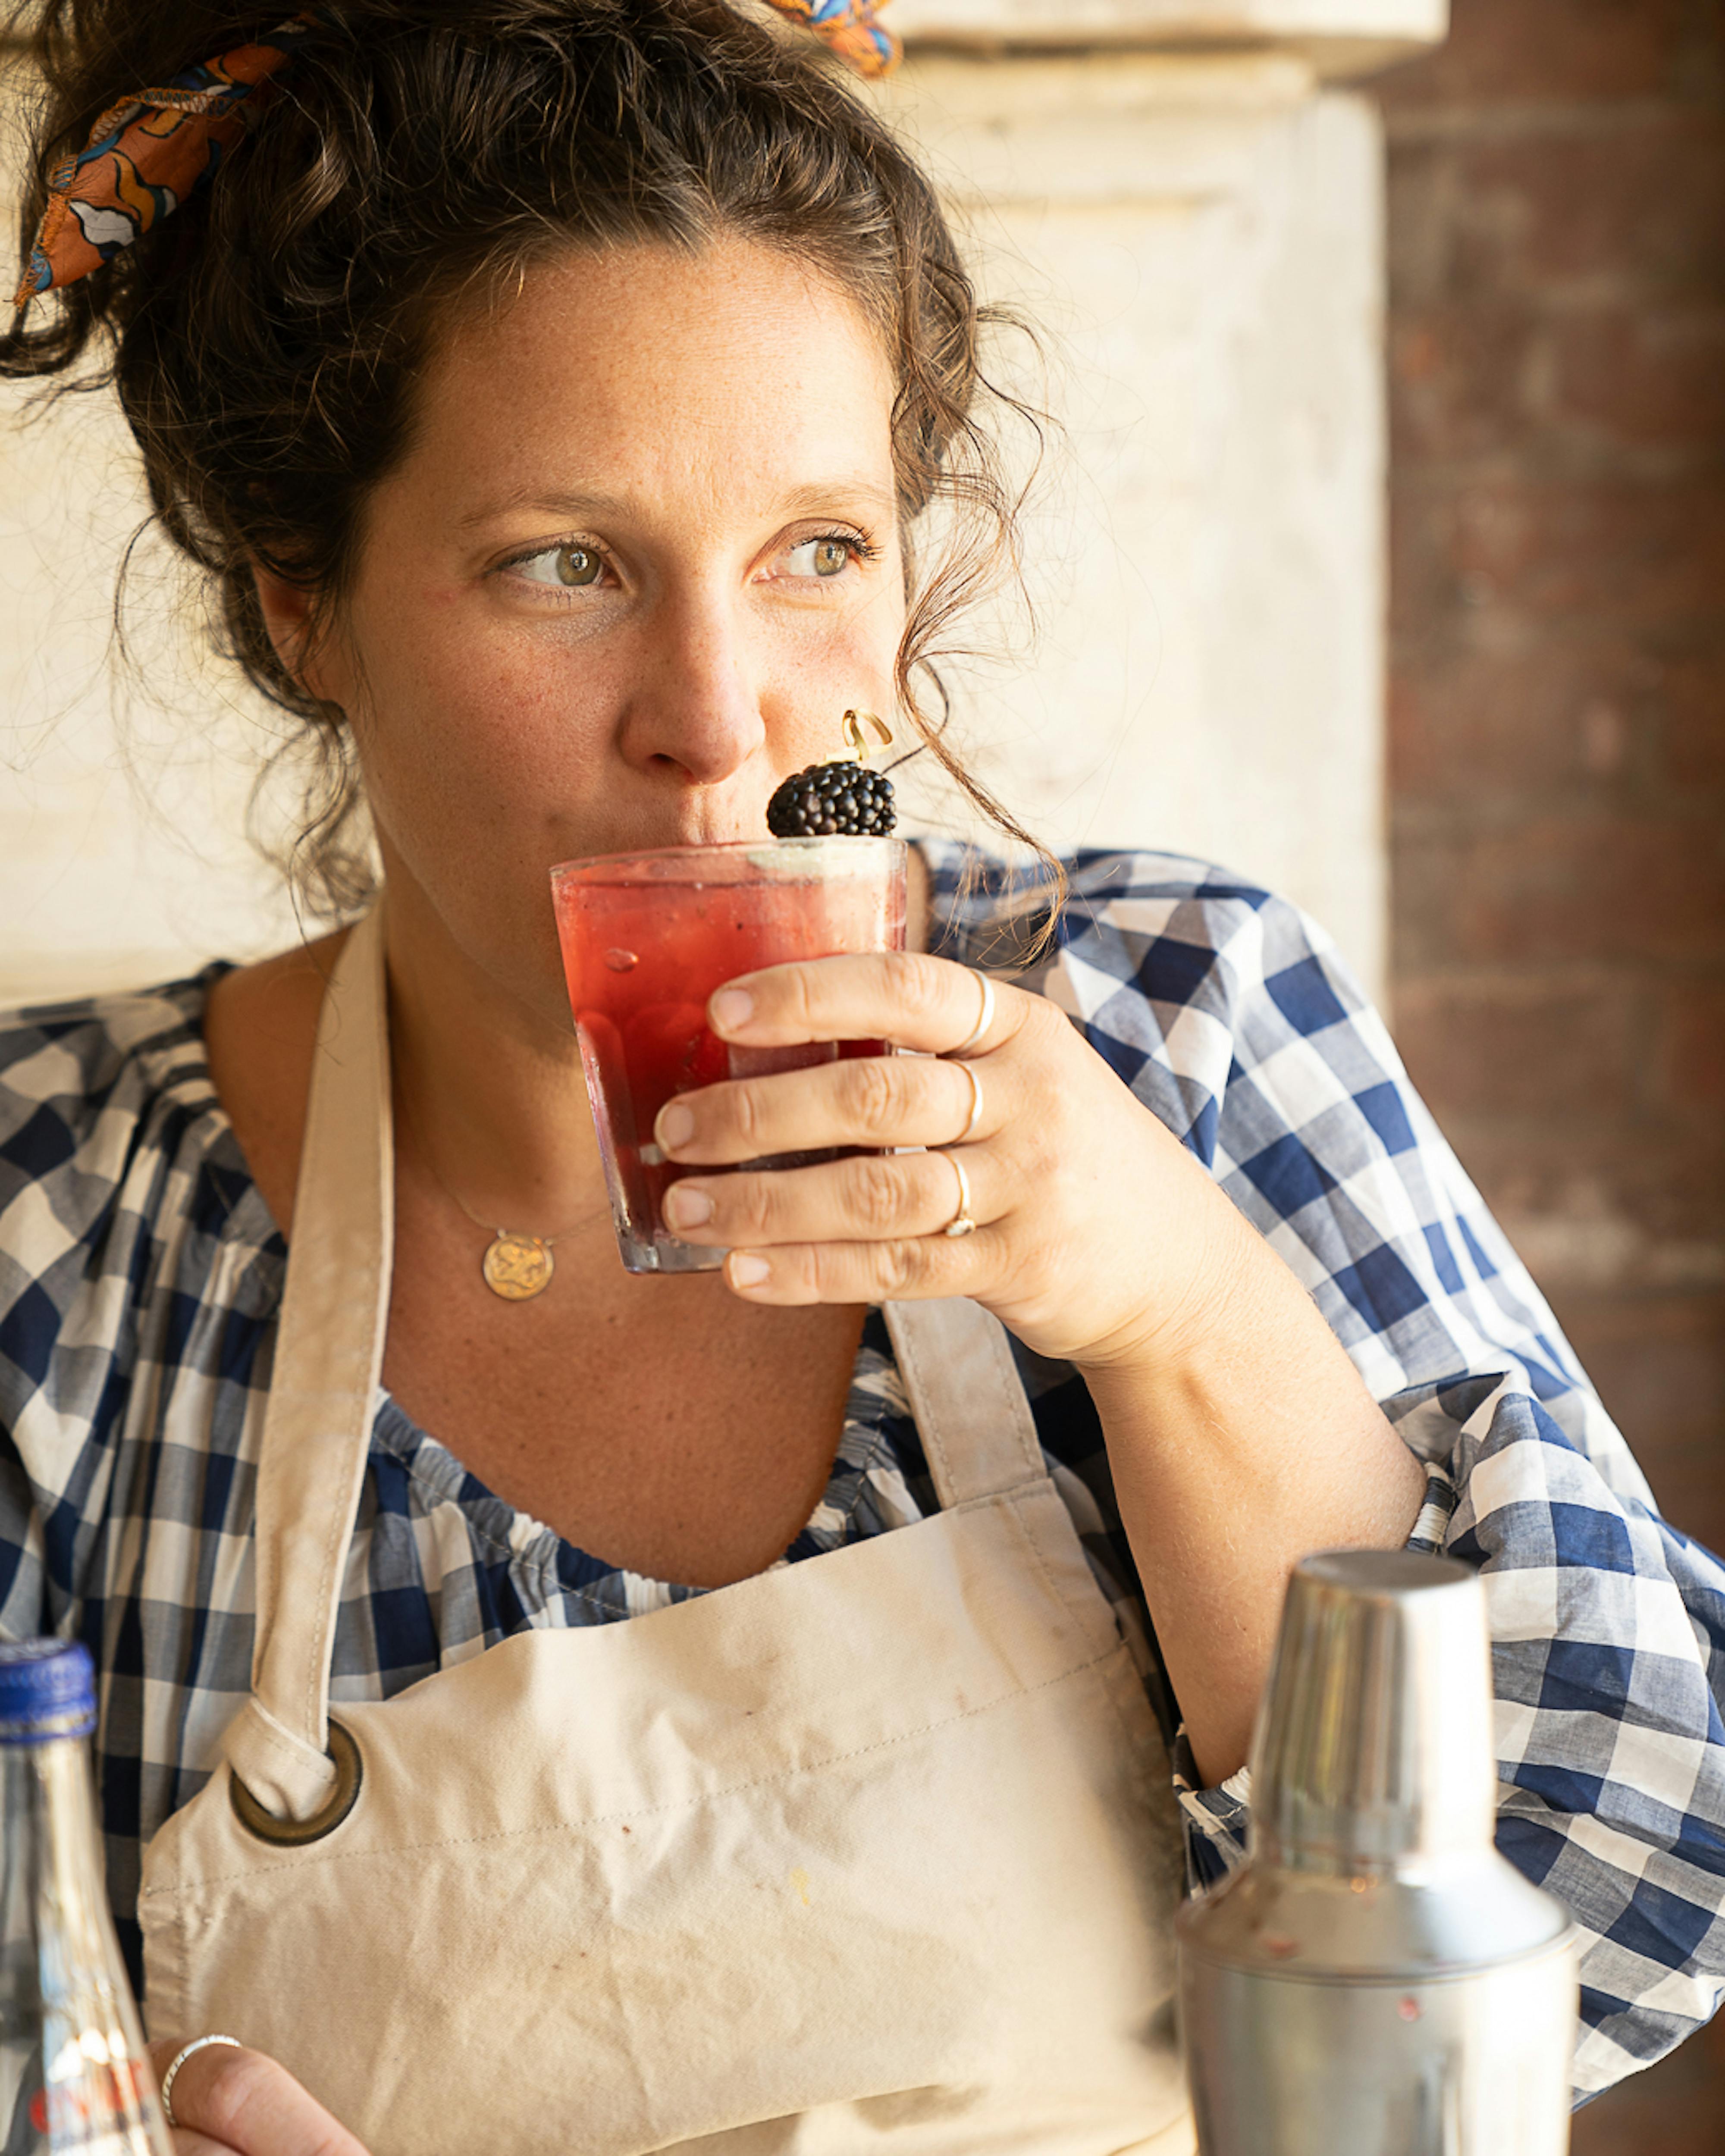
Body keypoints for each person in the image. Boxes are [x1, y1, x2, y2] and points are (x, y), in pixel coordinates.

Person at [1, 4, 1721, 2151]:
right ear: (302, 604)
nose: (717, 723)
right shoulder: (58, 1226)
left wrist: (1174, 1308)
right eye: (566, 563)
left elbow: (1628, 1912)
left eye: (817, 548)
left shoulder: (1178, 1018)